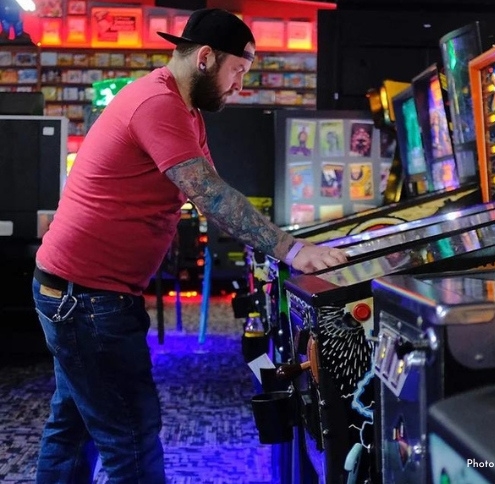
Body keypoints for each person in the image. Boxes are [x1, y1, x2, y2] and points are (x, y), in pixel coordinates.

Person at [31, 8, 347, 483]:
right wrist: (292, 249)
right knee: (132, 441)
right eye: (238, 71)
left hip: (79, 293)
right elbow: (210, 195)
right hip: (87, 300)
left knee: (73, 428)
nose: (240, 85)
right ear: (205, 58)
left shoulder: (184, 109)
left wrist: (280, 239)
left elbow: (211, 188)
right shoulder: (157, 104)